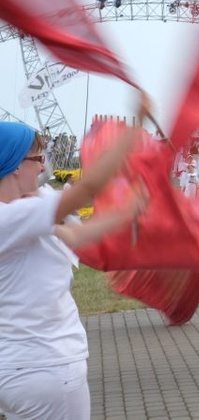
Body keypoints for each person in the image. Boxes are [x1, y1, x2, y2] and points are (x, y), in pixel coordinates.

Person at [0, 96, 149, 419]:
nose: (43, 166)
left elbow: (76, 235)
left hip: (18, 371)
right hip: (47, 368)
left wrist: (126, 212)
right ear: (12, 164)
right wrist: (134, 127)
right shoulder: (12, 217)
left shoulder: (33, 204)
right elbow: (88, 188)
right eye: (37, 157)